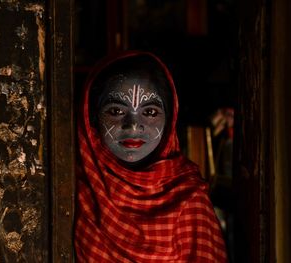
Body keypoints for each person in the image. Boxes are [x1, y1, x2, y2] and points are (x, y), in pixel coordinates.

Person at [74, 50, 228, 262]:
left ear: (169, 120)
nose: (134, 126)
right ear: (91, 117)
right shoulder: (76, 185)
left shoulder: (189, 199)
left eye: (150, 112)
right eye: (116, 111)